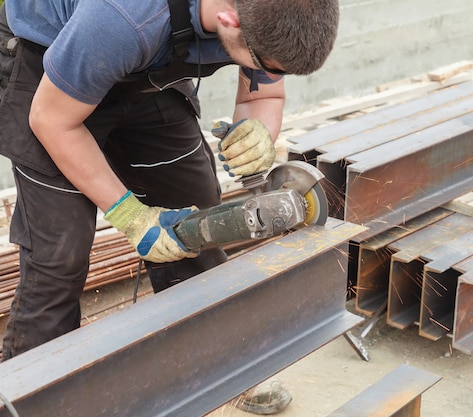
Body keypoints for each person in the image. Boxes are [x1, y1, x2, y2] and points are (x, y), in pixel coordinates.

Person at [0, 0, 339, 413]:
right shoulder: (124, 16)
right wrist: (130, 215)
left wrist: (261, 131)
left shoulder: (264, 13)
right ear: (230, 20)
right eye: (266, 62)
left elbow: (263, 93)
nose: (270, 73)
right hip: (52, 73)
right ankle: (27, 399)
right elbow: (52, 120)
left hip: (142, 75)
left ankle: (219, 366)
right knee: (60, 256)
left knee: (201, 219)